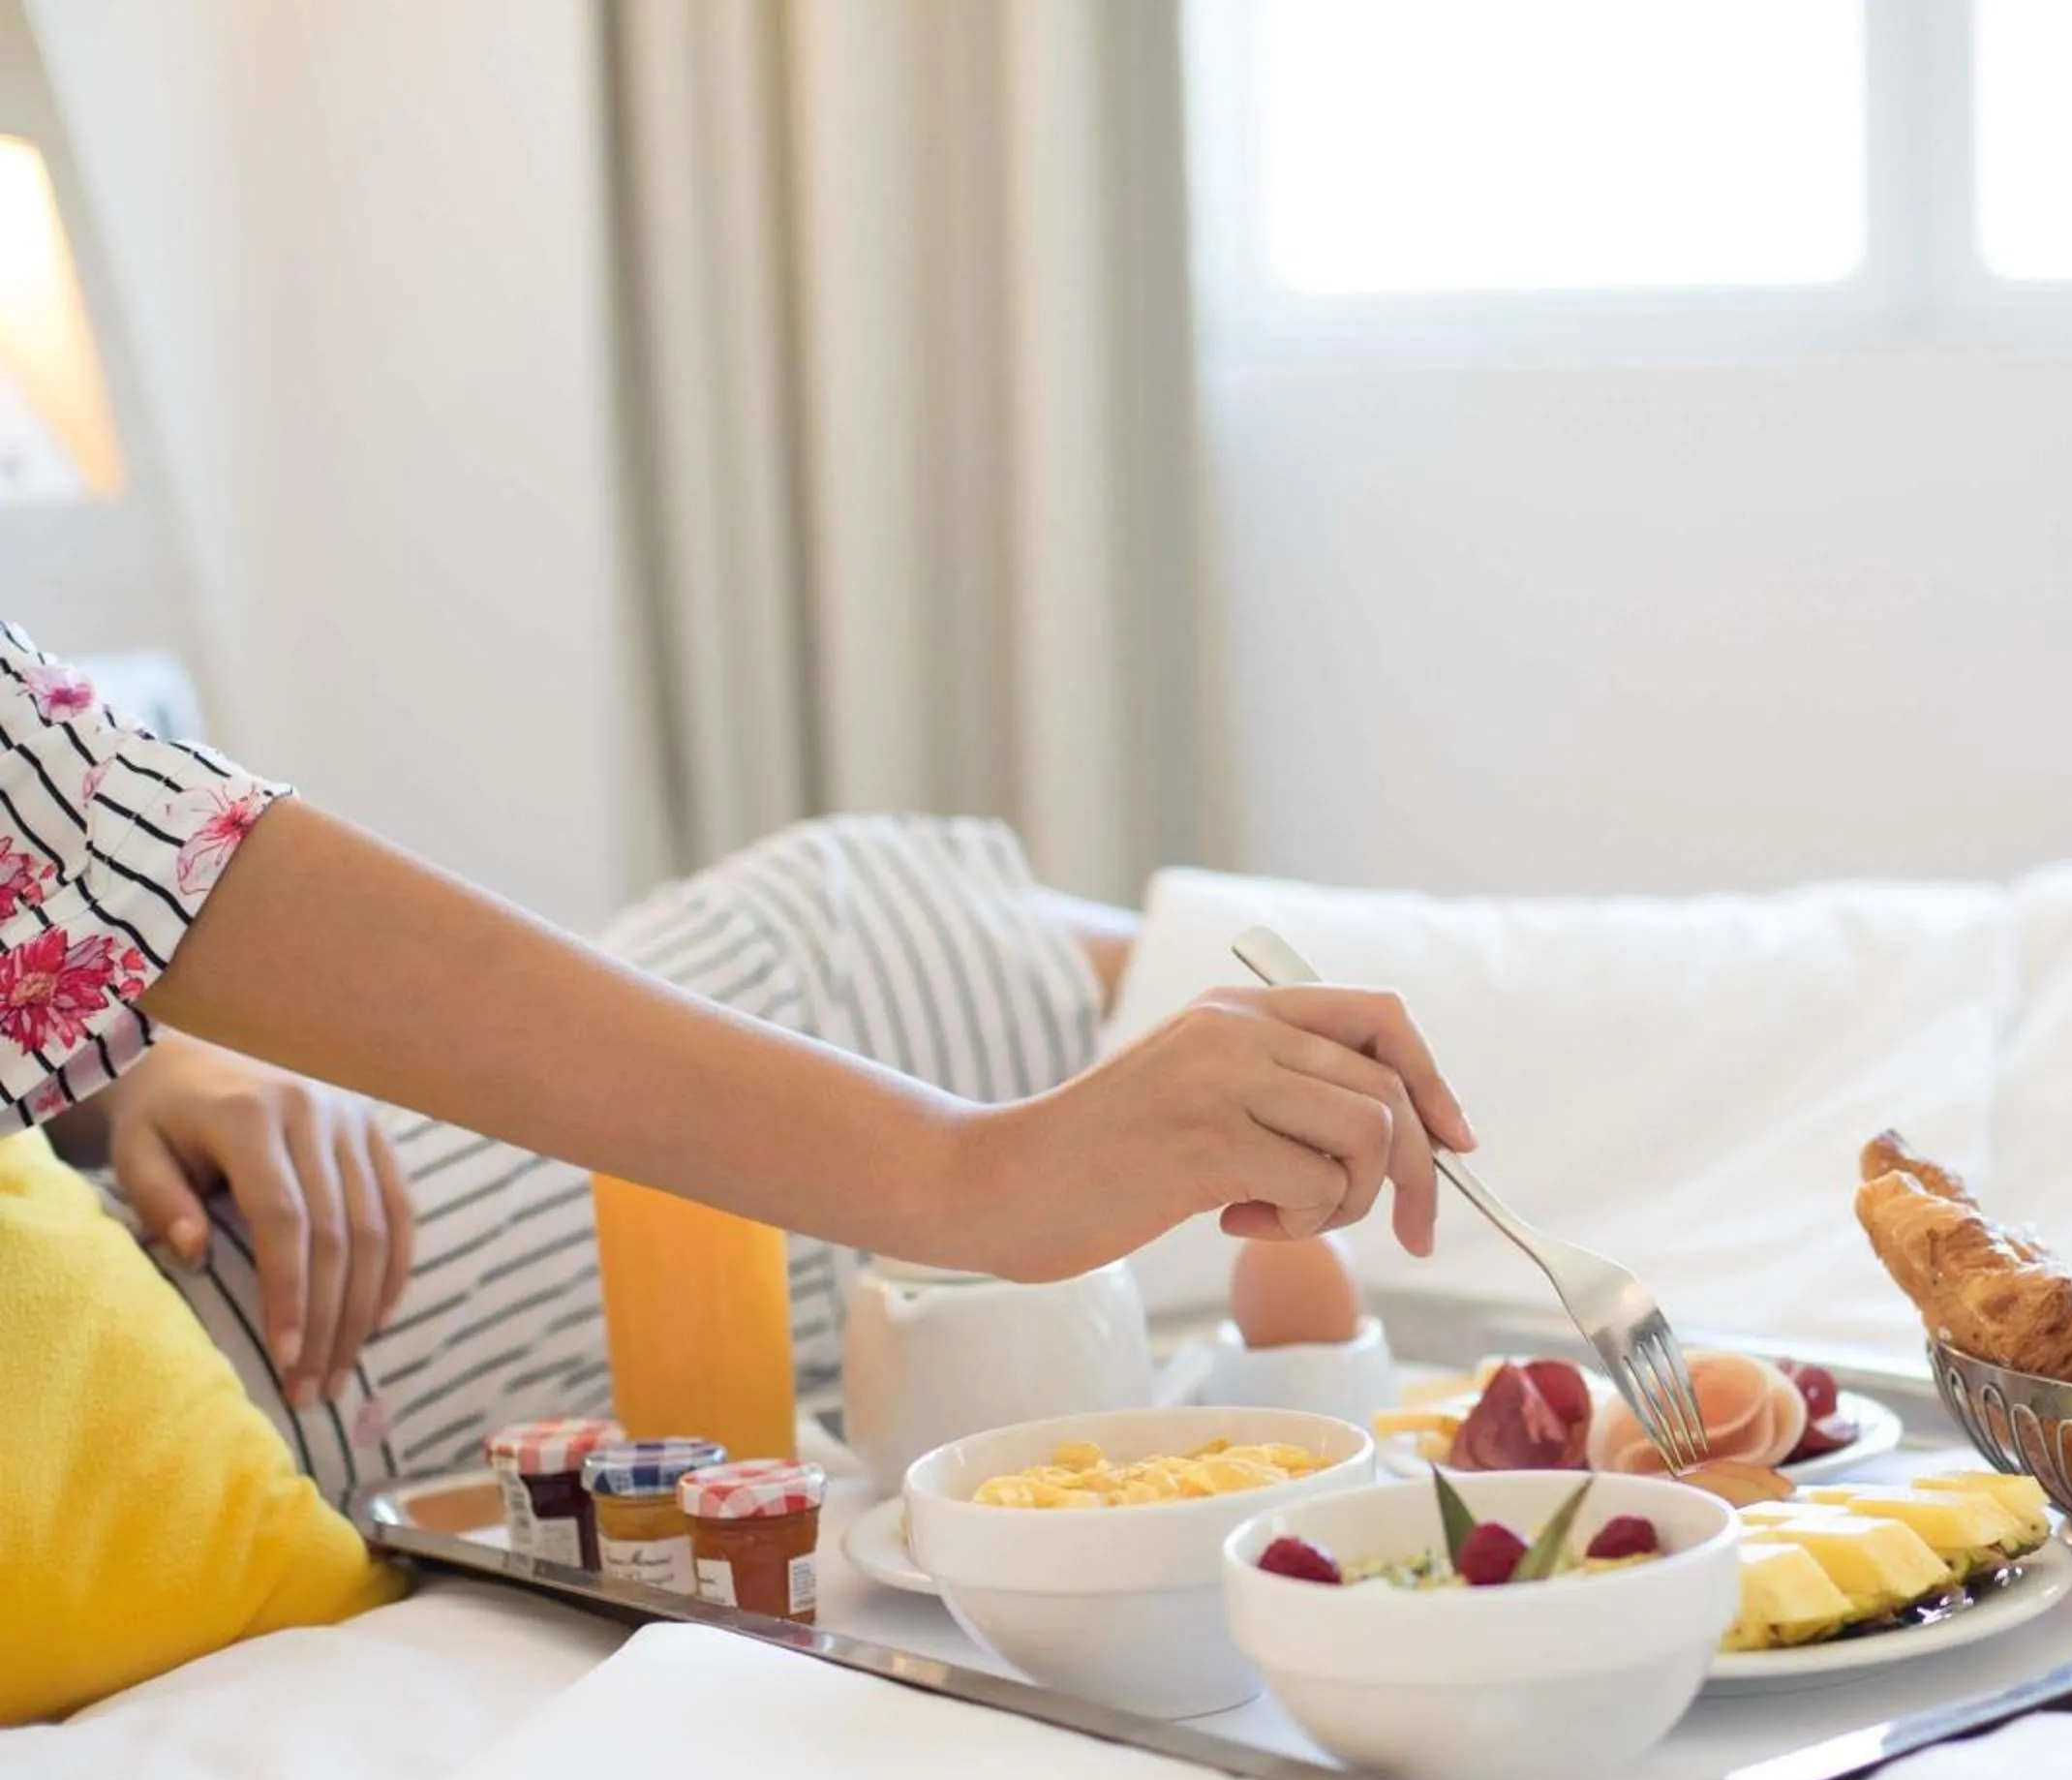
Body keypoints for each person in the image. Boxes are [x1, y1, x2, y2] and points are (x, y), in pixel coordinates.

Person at [2, 618, 1474, 1495]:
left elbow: (102, 843)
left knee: (1454, 1026)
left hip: (789, 1051)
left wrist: (143, 1062)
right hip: (799, 1304)